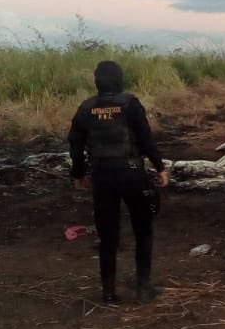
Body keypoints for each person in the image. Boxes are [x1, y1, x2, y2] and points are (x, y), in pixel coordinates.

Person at [68, 60, 169, 304]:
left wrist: (79, 174)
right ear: (120, 79)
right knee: (143, 230)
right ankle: (143, 288)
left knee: (108, 236)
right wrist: (159, 167)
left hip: (102, 177)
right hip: (132, 173)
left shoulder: (86, 108)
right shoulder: (130, 104)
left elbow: (75, 145)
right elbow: (146, 139)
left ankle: (109, 293)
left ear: (97, 81)